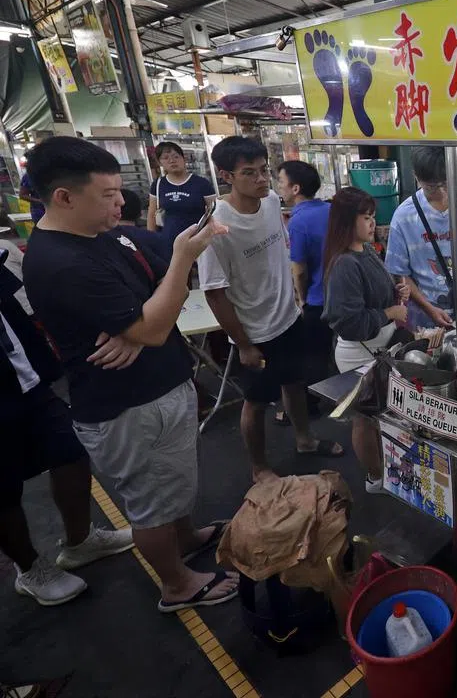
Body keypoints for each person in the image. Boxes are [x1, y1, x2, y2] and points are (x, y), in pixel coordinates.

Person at [20, 136, 237, 612]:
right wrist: (153, 311)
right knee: (151, 501)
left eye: (120, 191)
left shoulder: (105, 234)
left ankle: (186, 535)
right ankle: (177, 584)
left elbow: (157, 288)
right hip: (128, 407)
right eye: (108, 194)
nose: (122, 202)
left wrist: (138, 325)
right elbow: (158, 318)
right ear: (64, 197)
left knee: (173, 482)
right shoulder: (60, 261)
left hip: (160, 387)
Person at [197, 137, 344, 482]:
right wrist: (244, 344)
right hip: (255, 332)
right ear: (226, 176)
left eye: (264, 171)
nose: (262, 179)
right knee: (256, 402)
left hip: (288, 319)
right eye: (250, 173)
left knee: (294, 383)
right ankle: (259, 466)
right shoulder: (216, 227)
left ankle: (305, 440)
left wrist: (295, 299)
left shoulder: (272, 202)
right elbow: (215, 294)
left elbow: (279, 256)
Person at [1, 246, 135, 606]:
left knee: (70, 453)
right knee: (3, 488)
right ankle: (30, 569)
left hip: (23, 377)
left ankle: (80, 541)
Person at [322, 187, 411, 492]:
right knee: (364, 419)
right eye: (366, 217)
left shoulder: (367, 250)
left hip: (380, 346)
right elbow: (349, 324)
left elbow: (377, 296)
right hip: (359, 353)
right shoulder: (345, 263)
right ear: (348, 221)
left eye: (373, 217)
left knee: (377, 416)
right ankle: (375, 476)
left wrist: (397, 294)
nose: (373, 223)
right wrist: (390, 311)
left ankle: (384, 468)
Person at [385, 146, 457, 330]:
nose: (441, 192)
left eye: (445, 183)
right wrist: (429, 308)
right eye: (431, 187)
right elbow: (401, 274)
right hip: (425, 315)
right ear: (416, 177)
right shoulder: (403, 217)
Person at [277, 160, 331, 421]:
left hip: (316, 298)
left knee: (313, 355)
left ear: (296, 188)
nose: (279, 187)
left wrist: (301, 298)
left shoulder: (297, 222)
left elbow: (299, 269)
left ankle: (311, 404)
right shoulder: (331, 210)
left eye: (281, 182)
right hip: (341, 293)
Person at [147, 141, 216, 247]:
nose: (172, 161)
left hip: (198, 240)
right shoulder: (158, 184)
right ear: (160, 163)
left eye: (176, 156)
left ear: (184, 159)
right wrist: (151, 240)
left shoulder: (201, 183)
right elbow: (151, 214)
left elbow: (214, 211)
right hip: (168, 241)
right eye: (165, 158)